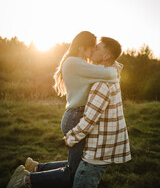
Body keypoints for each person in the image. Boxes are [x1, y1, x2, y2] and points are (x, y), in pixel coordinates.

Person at [6, 31, 120, 188]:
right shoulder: (74, 63)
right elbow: (108, 74)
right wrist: (115, 68)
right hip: (76, 117)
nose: (94, 50)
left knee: (77, 165)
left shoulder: (78, 62)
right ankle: (26, 180)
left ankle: (36, 167)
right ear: (82, 47)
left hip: (75, 116)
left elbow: (105, 74)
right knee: (73, 172)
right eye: (92, 47)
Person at [64, 37, 131, 188]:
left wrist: (69, 138)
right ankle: (35, 170)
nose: (93, 50)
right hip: (102, 148)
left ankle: (29, 178)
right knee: (71, 170)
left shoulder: (101, 83)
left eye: (98, 48)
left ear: (106, 56)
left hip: (97, 152)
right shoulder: (109, 75)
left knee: (72, 175)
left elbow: (89, 120)